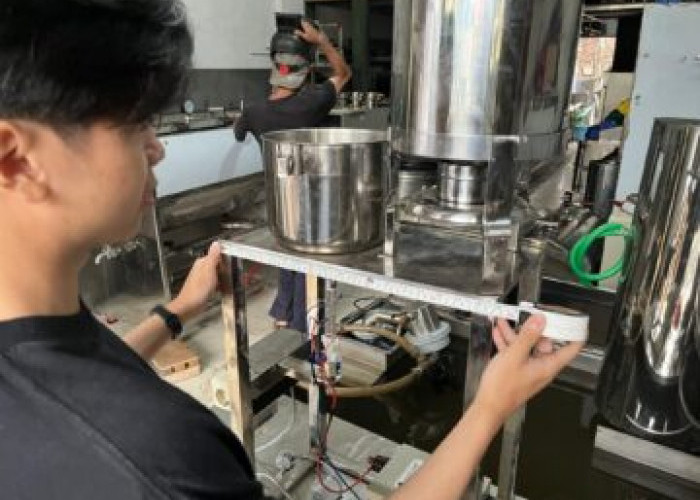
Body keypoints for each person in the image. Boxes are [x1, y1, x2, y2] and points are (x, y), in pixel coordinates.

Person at [0, 1, 583, 499]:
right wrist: (488, 408)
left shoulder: (43, 338)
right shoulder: (162, 456)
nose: (157, 148)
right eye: (136, 126)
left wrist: (177, 313)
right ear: (15, 158)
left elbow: (86, 369)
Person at [235, 20, 352, 333]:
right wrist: (322, 41)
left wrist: (247, 119)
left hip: (278, 197)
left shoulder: (254, 111)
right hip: (312, 197)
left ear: (274, 67)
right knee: (308, 260)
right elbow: (343, 73)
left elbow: (238, 133)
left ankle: (283, 314)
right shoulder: (313, 101)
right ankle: (302, 325)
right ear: (306, 69)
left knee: (286, 248)